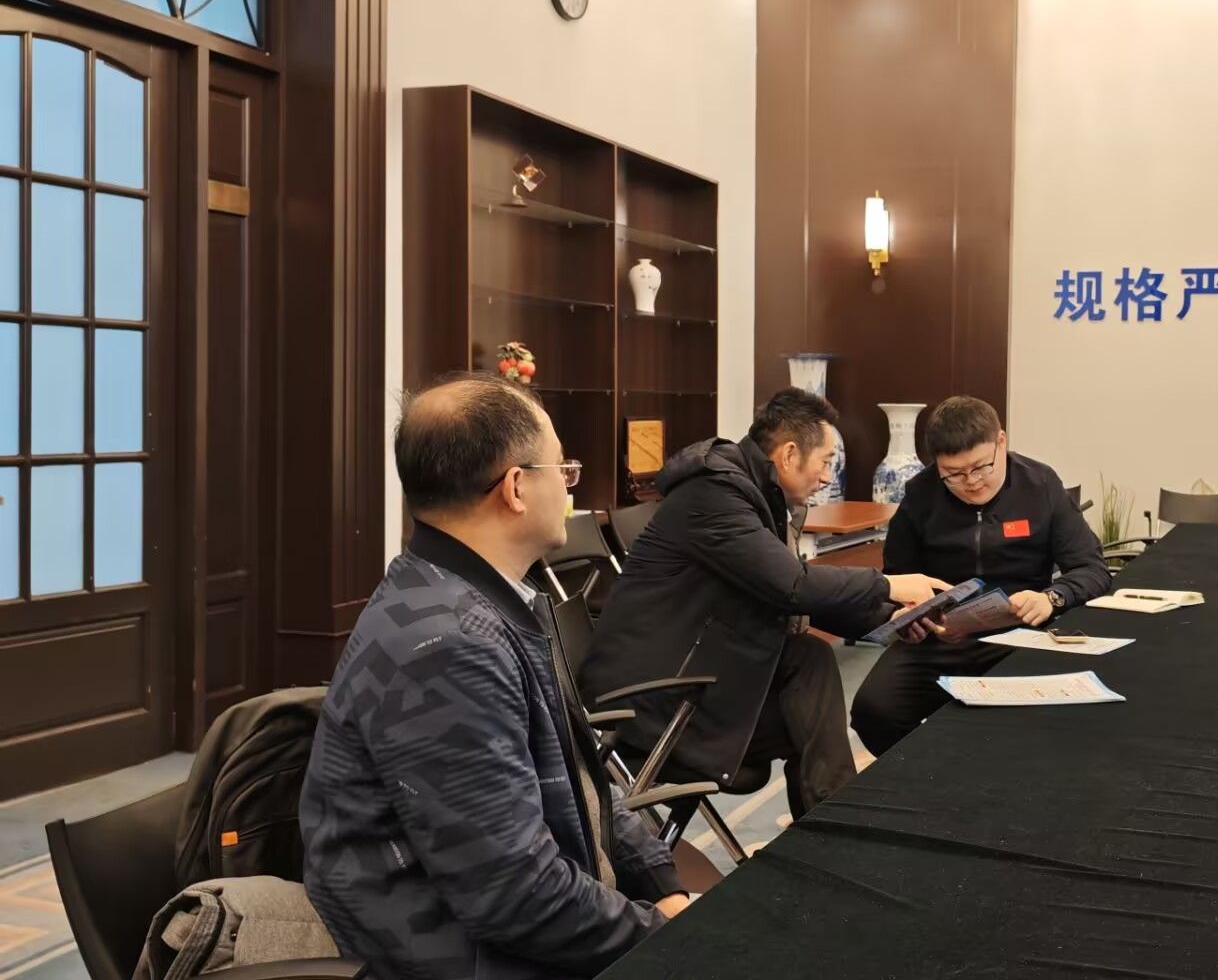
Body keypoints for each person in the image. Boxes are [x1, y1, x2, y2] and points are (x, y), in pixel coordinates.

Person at [301, 374, 688, 980]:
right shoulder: (447, 644)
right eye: (563, 469)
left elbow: (580, 779)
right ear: (515, 487)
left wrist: (662, 883)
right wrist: (666, 938)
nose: (568, 485)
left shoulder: (474, 597)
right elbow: (516, 897)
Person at [582, 388, 947, 819]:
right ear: (790, 454)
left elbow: (784, 595)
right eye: (826, 461)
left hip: (697, 678)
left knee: (807, 663)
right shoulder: (713, 495)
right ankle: (835, 826)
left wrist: (888, 619)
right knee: (806, 698)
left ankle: (830, 824)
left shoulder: (749, 493)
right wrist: (888, 584)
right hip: (654, 704)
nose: (827, 477)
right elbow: (792, 584)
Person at [851, 396, 1112, 756]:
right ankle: (932, 775)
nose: (971, 482)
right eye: (954, 474)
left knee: (1030, 726)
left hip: (1022, 635)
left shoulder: (1040, 485)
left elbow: (1092, 568)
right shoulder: (921, 494)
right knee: (874, 710)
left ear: (1001, 442)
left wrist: (1051, 598)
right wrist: (909, 616)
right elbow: (896, 578)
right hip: (941, 639)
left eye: (980, 467)